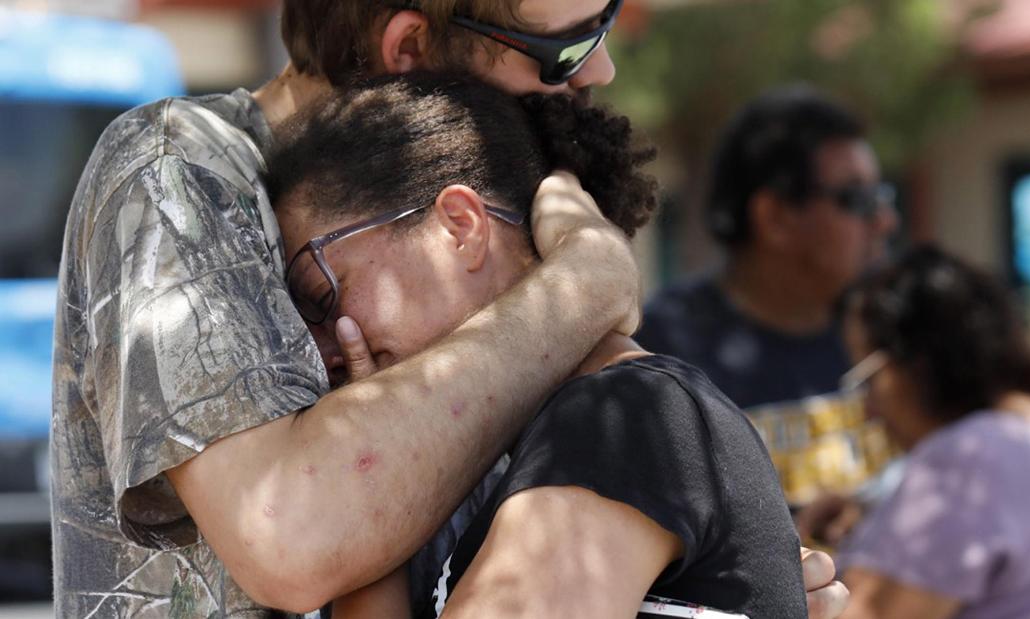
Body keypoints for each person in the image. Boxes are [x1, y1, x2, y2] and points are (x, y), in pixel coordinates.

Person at [51, 1, 846, 617]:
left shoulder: (586, 385)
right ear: (408, 50)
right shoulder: (178, 169)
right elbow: (288, 532)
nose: (598, 68)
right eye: (563, 47)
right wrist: (585, 286)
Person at [267, 70, 809, 619]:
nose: (322, 347)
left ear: (459, 226)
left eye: (321, 294)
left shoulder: (620, 420)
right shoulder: (563, 440)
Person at [635, 86, 899, 505]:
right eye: (858, 200)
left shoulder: (890, 331)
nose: (885, 220)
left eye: (883, 196)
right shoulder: (662, 356)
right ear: (774, 218)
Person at [825, 245, 1030, 619]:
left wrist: (806, 563)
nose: (868, 409)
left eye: (867, 379)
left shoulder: (969, 459)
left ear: (919, 362)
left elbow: (871, 612)